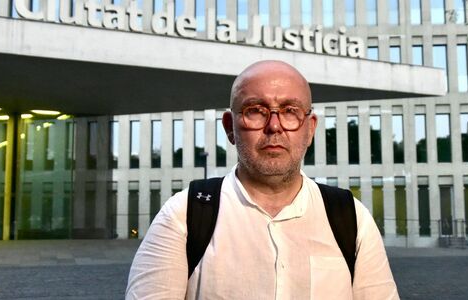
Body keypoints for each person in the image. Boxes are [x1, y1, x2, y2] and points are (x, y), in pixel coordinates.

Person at [126, 60, 398, 299]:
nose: (274, 126)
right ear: (230, 128)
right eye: (255, 110)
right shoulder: (183, 216)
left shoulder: (351, 218)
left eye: (290, 110)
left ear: (310, 128)